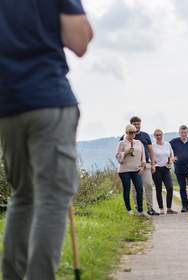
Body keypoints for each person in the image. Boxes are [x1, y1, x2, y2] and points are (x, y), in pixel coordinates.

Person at [0, 0, 93, 278]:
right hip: (47, 97)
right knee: (52, 198)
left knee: (23, 196)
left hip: (6, 107)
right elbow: (79, 41)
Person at [122, 116, 159, 216]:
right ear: (131, 125)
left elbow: (151, 150)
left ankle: (150, 208)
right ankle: (138, 208)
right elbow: (121, 153)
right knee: (135, 188)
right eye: (135, 124)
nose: (137, 126)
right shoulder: (124, 137)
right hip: (132, 167)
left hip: (145, 164)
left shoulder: (145, 135)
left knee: (149, 185)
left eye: (139, 124)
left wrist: (153, 164)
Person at [116, 125, 146, 217]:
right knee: (127, 189)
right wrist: (126, 152)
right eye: (130, 132)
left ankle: (140, 211)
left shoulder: (139, 142)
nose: (133, 134)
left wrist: (142, 167)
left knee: (140, 189)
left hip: (136, 169)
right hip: (124, 170)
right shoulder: (122, 143)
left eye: (134, 132)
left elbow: (143, 156)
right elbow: (118, 158)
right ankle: (129, 209)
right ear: (126, 133)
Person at [152, 129, 177, 214]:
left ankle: (169, 208)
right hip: (157, 169)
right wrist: (153, 163)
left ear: (162, 135)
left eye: (160, 134)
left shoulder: (167, 144)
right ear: (154, 136)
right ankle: (161, 209)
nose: (159, 136)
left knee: (169, 187)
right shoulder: (153, 146)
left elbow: (172, 156)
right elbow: (150, 158)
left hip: (166, 169)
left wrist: (171, 160)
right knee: (158, 189)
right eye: (157, 135)